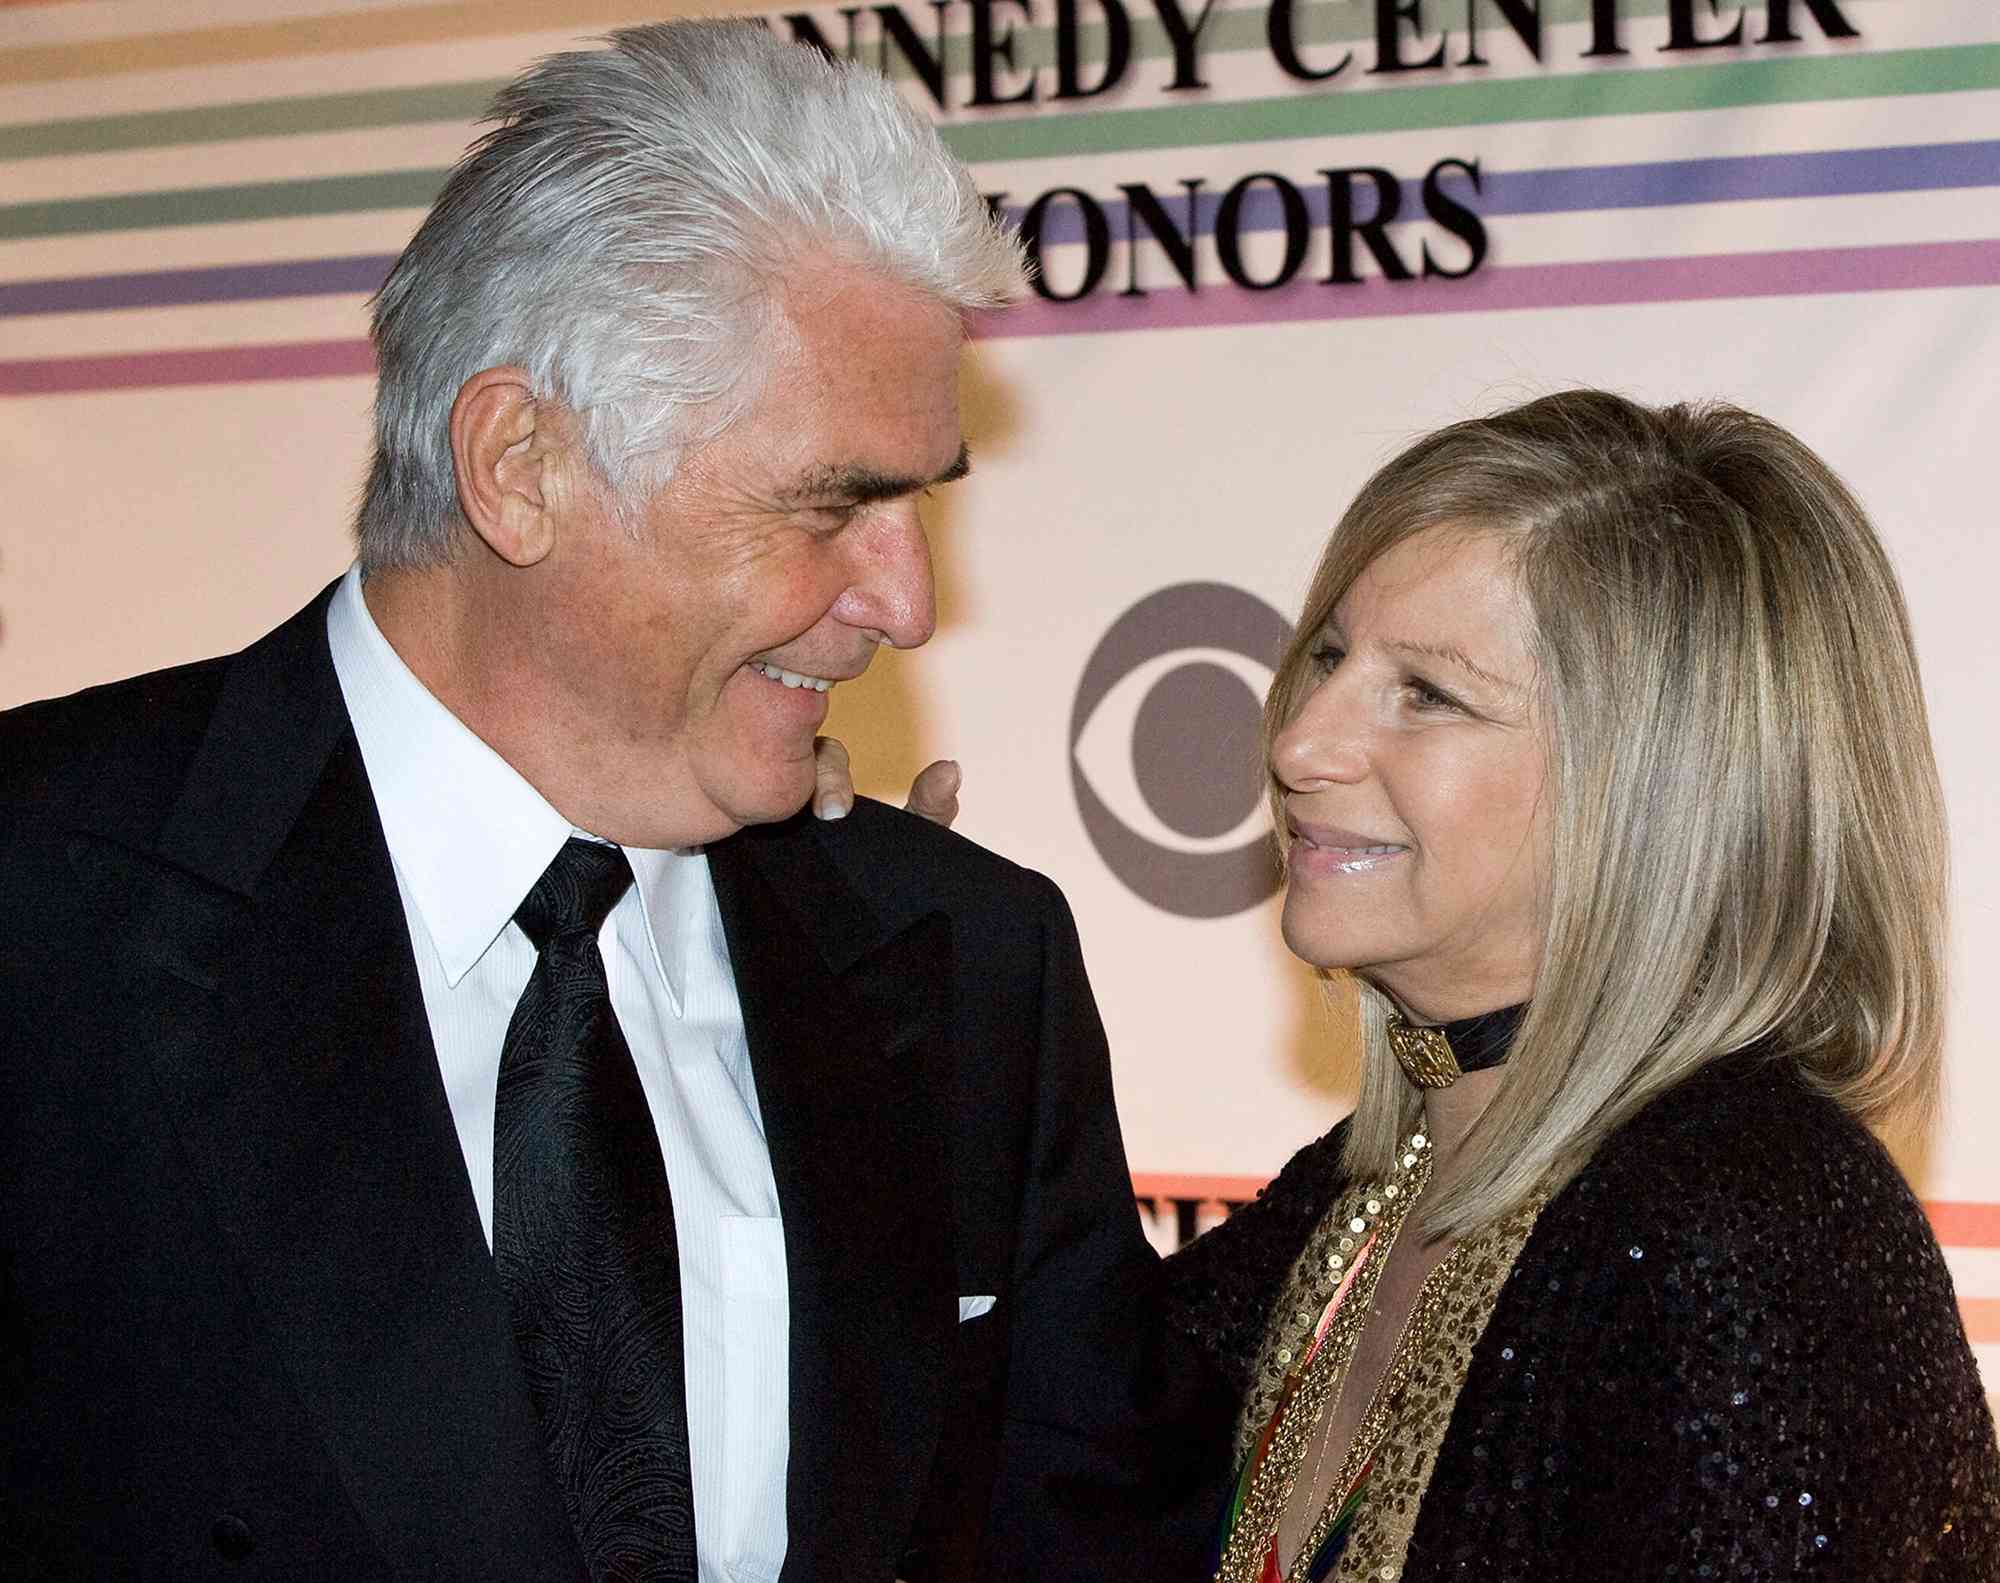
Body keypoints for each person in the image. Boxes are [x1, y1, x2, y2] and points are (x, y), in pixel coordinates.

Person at [0, 24, 1220, 1582]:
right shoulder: (43, 909)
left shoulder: (971, 962)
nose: (908, 602)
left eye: (922, 504)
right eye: (834, 503)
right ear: (520, 466)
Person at [1157, 390, 2000, 1579]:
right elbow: (1019, 1447)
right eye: (1332, 658)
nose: (1298, 742)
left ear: (1654, 791)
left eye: (1427, 693)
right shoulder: (1364, 1188)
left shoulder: (1749, 1229)